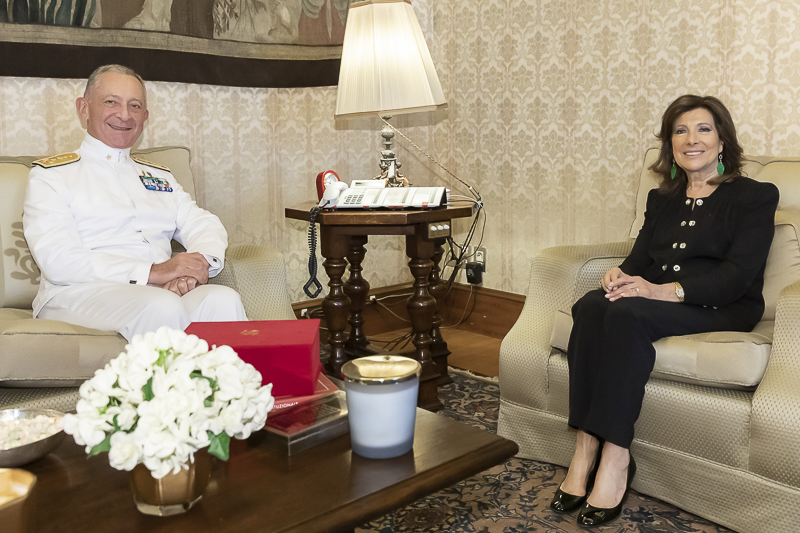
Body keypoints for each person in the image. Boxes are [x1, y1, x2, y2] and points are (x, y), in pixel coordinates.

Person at [549, 95, 779, 527]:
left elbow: (737, 277)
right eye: (680, 131)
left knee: (626, 315)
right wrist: (620, 274)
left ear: (722, 140)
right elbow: (641, 258)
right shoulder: (663, 197)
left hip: (720, 305)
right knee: (592, 305)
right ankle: (585, 448)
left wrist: (660, 291)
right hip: (657, 297)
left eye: (703, 129)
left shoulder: (755, 196)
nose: (691, 139)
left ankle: (615, 458)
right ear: (670, 144)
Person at [23, 64, 247, 341]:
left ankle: (229, 385)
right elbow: (59, 260)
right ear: (83, 108)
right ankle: (171, 386)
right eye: (110, 102)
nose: (124, 115)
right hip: (75, 293)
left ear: (146, 116)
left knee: (222, 299)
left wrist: (197, 264)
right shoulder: (52, 176)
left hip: (155, 292)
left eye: (135, 105)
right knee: (161, 306)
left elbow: (202, 222)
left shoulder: (158, 176)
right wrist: (154, 272)